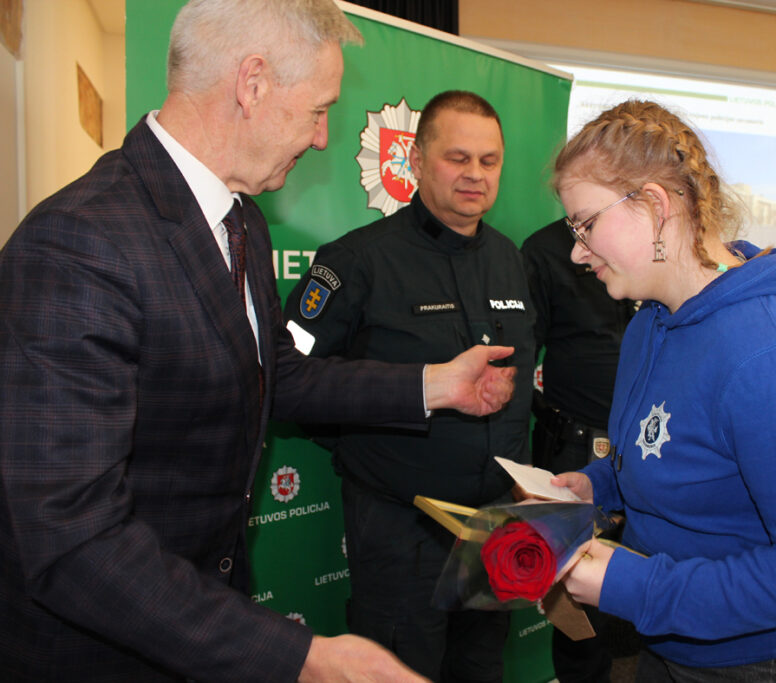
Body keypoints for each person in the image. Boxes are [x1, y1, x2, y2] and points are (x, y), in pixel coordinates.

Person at [0, 3, 517, 682]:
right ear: (252, 83)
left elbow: (280, 372)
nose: (324, 138)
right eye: (318, 111)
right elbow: (72, 538)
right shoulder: (79, 243)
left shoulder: (241, 218)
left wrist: (434, 384)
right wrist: (299, 656)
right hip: (101, 650)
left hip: (199, 617)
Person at [548, 99, 776, 681]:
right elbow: (670, 453)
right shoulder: (649, 325)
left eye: (586, 224)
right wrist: (597, 485)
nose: (576, 251)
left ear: (655, 206)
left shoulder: (772, 356)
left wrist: (637, 586)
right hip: (678, 638)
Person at [283, 90, 534, 682]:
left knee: (481, 667)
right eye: (457, 158)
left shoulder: (511, 261)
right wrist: (371, 450)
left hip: (494, 526)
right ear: (416, 161)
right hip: (401, 531)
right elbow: (287, 379)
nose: (475, 174)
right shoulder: (356, 261)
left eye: (489, 161)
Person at [521, 218, 634, 682]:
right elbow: (521, 358)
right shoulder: (546, 250)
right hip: (576, 450)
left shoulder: (653, 238)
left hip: (651, 446)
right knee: (580, 608)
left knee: (654, 590)